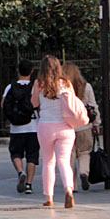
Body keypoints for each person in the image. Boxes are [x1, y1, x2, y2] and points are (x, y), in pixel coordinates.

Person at [31, 54, 76, 208]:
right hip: (65, 127)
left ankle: (49, 197)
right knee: (64, 161)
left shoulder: (39, 84)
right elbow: (73, 104)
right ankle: (68, 189)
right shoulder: (66, 83)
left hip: (45, 127)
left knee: (49, 161)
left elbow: (34, 103)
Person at [1, 59, 39, 194]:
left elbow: (3, 105)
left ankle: (20, 171)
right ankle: (29, 184)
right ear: (32, 71)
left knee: (15, 153)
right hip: (33, 127)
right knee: (32, 156)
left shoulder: (10, 87)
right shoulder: (35, 87)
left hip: (16, 128)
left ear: (18, 70)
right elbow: (38, 104)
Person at [62, 62, 100, 191]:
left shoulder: (62, 88)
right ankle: (84, 173)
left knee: (69, 156)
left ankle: (72, 185)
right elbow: (93, 106)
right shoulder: (86, 86)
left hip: (67, 127)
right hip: (85, 125)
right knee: (84, 153)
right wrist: (96, 123)